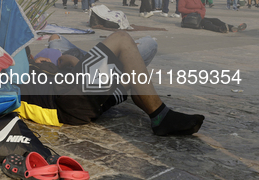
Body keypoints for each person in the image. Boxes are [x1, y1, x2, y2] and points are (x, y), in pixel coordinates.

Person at [18, 32, 205, 136]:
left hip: (83, 103)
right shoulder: (20, 77)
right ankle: (161, 116)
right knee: (121, 39)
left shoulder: (27, 74)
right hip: (69, 97)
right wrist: (72, 62)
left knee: (130, 75)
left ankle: (157, 116)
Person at [178, 0, 246, 33]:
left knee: (215, 20)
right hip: (189, 18)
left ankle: (231, 27)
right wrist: (194, 11)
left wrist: (202, 12)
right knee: (206, 22)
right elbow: (180, 9)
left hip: (199, 16)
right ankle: (219, 29)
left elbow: (202, 7)